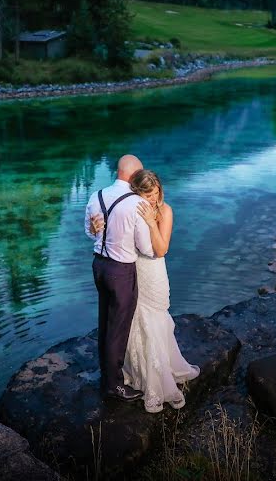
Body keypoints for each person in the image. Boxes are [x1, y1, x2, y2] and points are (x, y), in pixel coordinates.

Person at [90, 169, 199, 413]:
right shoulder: (132, 206)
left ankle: (159, 376)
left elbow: (162, 250)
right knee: (134, 322)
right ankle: (135, 373)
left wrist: (151, 222)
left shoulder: (165, 211)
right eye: (146, 194)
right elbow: (116, 233)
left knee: (155, 319)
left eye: (155, 192)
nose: (151, 199)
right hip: (133, 268)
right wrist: (97, 227)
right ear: (137, 193)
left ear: (160, 190)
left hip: (154, 272)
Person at [84, 154, 153, 402]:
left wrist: (99, 231)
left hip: (98, 266)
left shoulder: (96, 196)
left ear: (117, 171)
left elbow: (89, 232)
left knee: (104, 321)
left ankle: (106, 377)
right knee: (118, 328)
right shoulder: (136, 204)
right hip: (121, 271)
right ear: (134, 175)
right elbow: (145, 247)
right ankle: (114, 385)